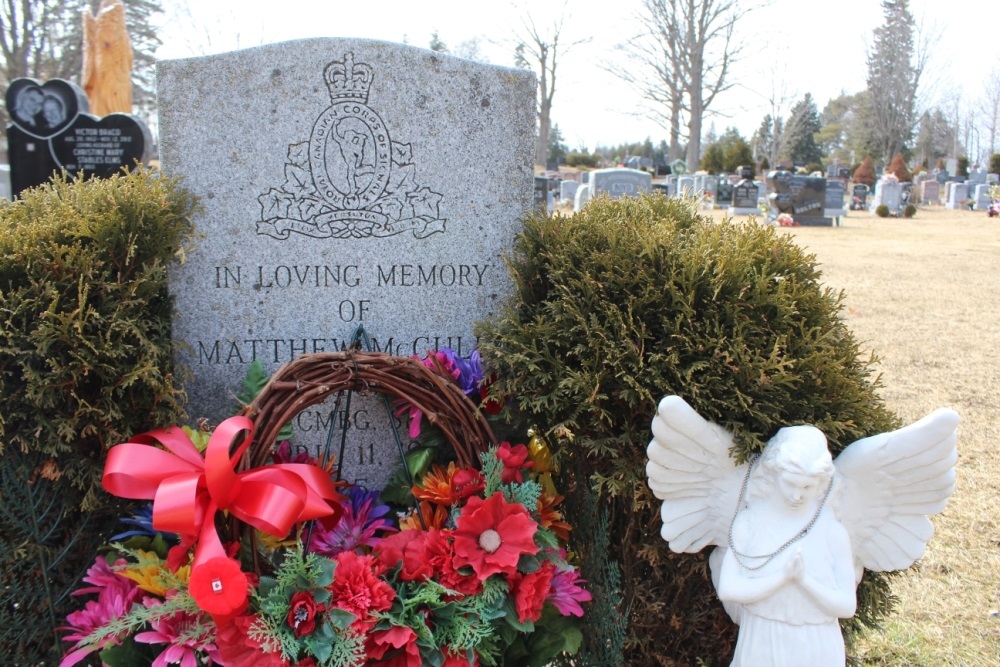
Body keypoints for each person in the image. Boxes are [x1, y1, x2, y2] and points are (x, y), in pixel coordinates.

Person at [715, 425, 856, 667]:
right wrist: (781, 578)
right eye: (790, 483)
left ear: (821, 483)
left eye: (807, 487)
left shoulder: (832, 531)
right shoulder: (750, 523)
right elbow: (728, 589)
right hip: (761, 640)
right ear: (774, 473)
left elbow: (846, 606)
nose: (796, 495)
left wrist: (803, 580)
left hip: (818, 645)